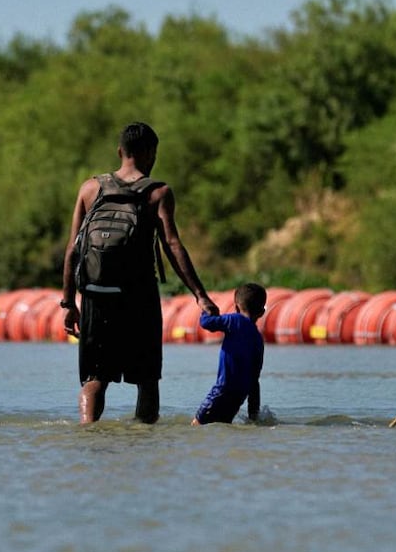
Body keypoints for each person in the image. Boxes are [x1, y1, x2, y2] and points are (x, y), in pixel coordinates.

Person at [61, 122, 219, 424]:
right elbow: (173, 245)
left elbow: (72, 249)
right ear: (151, 153)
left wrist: (69, 304)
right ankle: (144, 440)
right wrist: (200, 295)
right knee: (146, 380)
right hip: (139, 298)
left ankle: (87, 432)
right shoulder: (158, 193)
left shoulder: (90, 188)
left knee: (94, 378)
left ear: (120, 151)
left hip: (95, 295)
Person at [192, 283, 267, 425]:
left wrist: (206, 309)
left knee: (196, 426)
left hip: (222, 390)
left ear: (236, 307)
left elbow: (207, 323)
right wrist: (254, 415)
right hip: (240, 395)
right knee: (223, 425)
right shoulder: (258, 339)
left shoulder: (234, 320)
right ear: (262, 312)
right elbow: (255, 379)